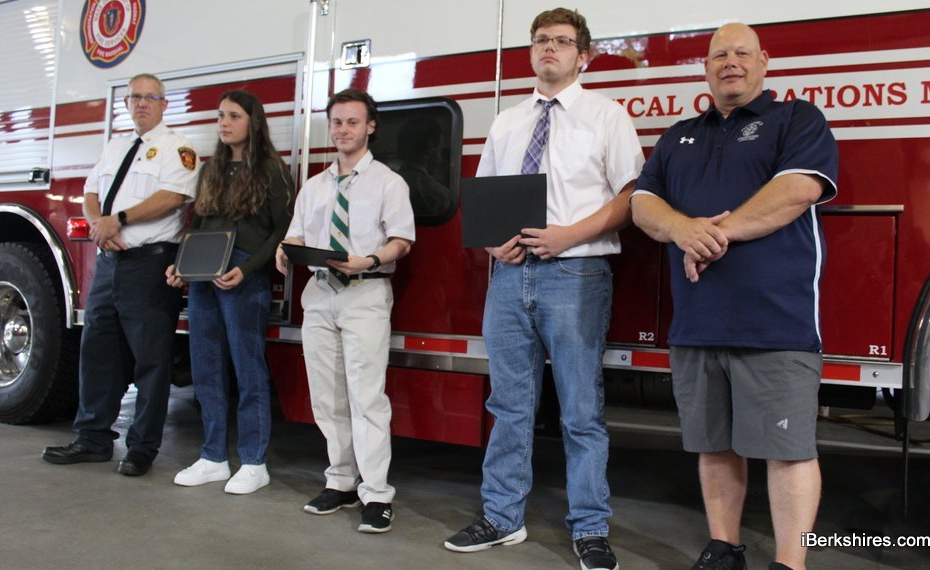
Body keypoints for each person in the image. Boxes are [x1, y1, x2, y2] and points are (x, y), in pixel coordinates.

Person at [630, 23, 838, 570]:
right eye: (719, 54)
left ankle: (790, 563)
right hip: (697, 323)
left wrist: (710, 236)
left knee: (788, 451)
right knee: (713, 445)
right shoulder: (679, 136)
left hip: (775, 324)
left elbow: (798, 189)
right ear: (705, 67)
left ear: (763, 61)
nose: (730, 62)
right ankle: (724, 548)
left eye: (742, 53)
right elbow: (642, 203)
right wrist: (681, 229)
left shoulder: (797, 119)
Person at [444, 9, 644, 570]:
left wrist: (569, 236)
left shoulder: (607, 116)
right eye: (540, 41)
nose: (549, 48)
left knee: (580, 410)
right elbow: (484, 195)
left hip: (576, 272)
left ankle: (591, 529)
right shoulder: (508, 121)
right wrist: (493, 244)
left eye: (561, 41)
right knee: (508, 405)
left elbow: (632, 196)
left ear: (583, 55)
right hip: (509, 276)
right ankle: (502, 517)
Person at [42, 73, 199, 476]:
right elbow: (90, 192)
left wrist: (120, 220)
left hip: (149, 265)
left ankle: (142, 448)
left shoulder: (178, 148)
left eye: (150, 97)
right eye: (135, 97)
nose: (141, 103)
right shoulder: (115, 146)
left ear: (164, 104)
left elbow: (173, 197)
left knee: (151, 360)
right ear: (126, 103)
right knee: (97, 352)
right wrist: (100, 225)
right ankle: (92, 439)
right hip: (109, 264)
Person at [276, 88, 414, 533]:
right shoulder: (315, 186)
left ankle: (377, 493)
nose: (343, 130)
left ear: (370, 126)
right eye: (336, 122)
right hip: (319, 294)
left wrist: (368, 260)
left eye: (353, 122)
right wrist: (285, 248)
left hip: (364, 292)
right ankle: (340, 481)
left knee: (366, 397)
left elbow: (402, 241)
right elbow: (297, 235)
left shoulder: (389, 183)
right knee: (327, 395)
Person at [166, 90, 294, 494]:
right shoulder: (210, 170)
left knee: (248, 370)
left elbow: (283, 228)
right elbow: (198, 226)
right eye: (220, 115)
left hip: (244, 277)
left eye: (234, 116)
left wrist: (248, 269)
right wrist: (181, 266)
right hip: (204, 277)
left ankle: (254, 462)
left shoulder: (272, 169)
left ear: (253, 122)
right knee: (206, 368)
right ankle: (213, 457)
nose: (224, 122)